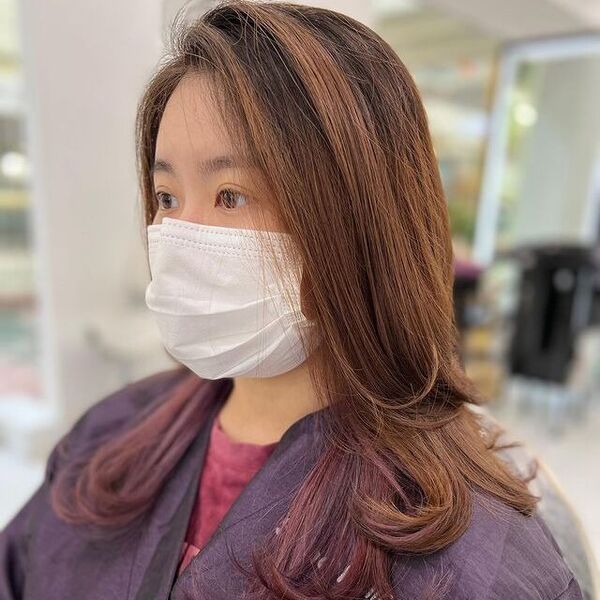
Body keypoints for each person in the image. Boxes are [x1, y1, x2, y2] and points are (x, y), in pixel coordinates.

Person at [0, 1, 583, 598]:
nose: (179, 235)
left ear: (358, 221)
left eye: (230, 195)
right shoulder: (112, 434)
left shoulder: (467, 553)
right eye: (167, 197)